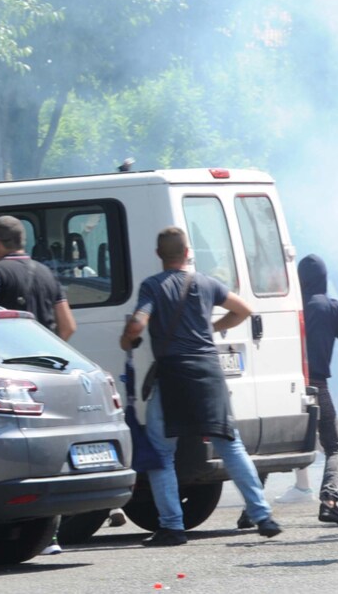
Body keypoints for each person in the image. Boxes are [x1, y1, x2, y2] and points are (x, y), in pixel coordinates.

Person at [119, 227, 281, 546]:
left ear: (158, 255)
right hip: (209, 373)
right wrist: (213, 327)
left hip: (173, 376)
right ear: (188, 252)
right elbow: (244, 310)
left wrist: (128, 339)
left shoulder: (153, 286)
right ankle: (263, 516)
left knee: (162, 454)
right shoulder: (206, 283)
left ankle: (172, 526)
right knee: (230, 445)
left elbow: (138, 323)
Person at [0, 215, 79, 555]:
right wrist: (45, 358)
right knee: (48, 457)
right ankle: (50, 538)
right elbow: (68, 325)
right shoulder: (46, 273)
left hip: (8, 377)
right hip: (46, 373)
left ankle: (42, 537)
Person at [296, 254, 338, 526]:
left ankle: (253, 508)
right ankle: (329, 501)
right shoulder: (330, 307)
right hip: (317, 384)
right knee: (335, 446)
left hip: (288, 385)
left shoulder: (291, 307)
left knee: (279, 445)